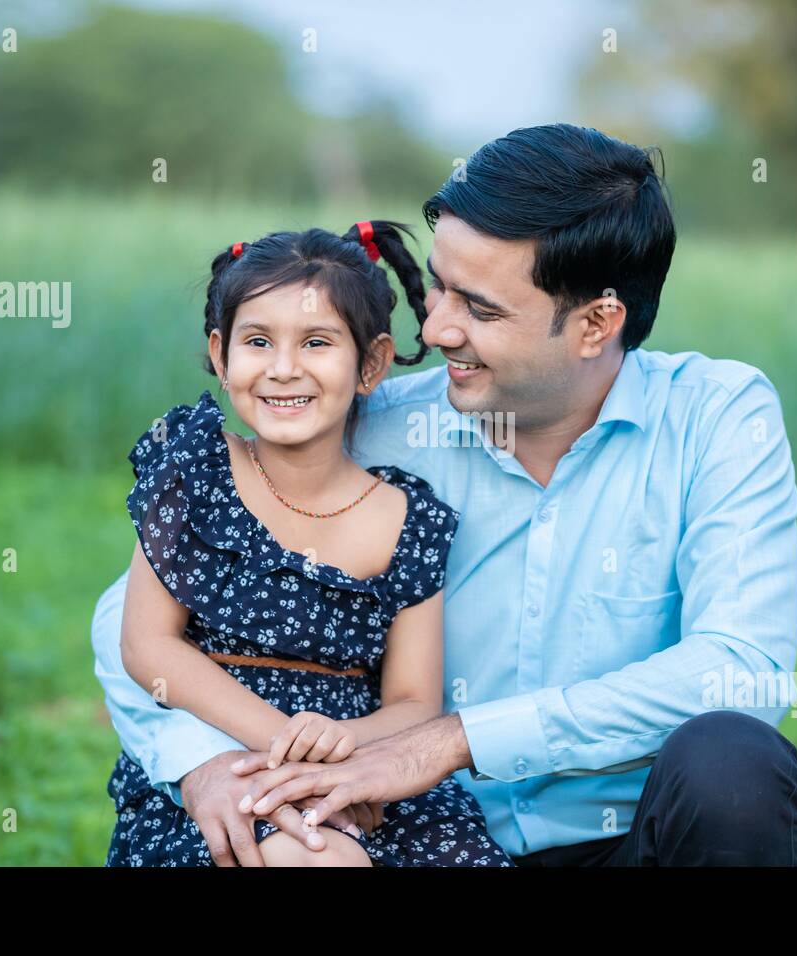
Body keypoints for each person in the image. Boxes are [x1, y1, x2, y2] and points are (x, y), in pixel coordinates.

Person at [93, 123, 797, 866]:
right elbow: (132, 618)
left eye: (480, 308)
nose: (434, 327)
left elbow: (744, 671)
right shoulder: (376, 428)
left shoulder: (714, 417)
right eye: (438, 285)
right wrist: (200, 761)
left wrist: (454, 740)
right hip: (415, 839)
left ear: (597, 323)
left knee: (735, 764)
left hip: (626, 841)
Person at [103, 219, 512, 866]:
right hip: (221, 759)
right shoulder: (196, 469)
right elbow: (145, 645)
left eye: (317, 342)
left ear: (370, 363)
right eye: (258, 341)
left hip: (357, 771)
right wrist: (288, 747)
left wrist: (342, 750)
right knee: (320, 860)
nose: (284, 369)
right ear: (220, 352)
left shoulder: (409, 518)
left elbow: (413, 702)